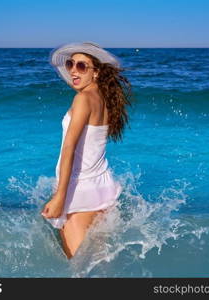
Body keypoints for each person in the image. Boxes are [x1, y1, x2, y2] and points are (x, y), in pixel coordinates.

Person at [41, 41, 132, 259]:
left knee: (79, 269)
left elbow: (69, 148)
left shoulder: (83, 99)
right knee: (99, 266)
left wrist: (60, 197)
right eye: (71, 64)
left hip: (80, 192)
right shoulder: (102, 99)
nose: (73, 70)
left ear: (96, 72)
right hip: (102, 186)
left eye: (82, 66)